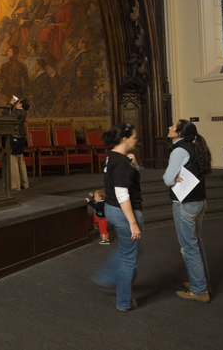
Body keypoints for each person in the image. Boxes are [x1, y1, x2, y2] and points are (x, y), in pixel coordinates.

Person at [92, 122, 142, 311]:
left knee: (129, 252)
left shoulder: (113, 156)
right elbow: (123, 195)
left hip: (112, 209)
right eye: (134, 137)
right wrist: (133, 223)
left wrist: (134, 165)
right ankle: (123, 300)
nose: (136, 140)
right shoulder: (120, 162)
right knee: (129, 257)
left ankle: (111, 280)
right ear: (125, 139)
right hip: (123, 211)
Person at [163, 119, 213, 303]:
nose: (169, 127)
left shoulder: (179, 150)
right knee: (196, 242)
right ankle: (202, 282)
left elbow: (168, 180)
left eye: (172, 126)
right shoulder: (194, 146)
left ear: (178, 133)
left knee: (189, 247)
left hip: (184, 203)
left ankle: (199, 290)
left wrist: (171, 176)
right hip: (199, 201)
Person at [3, 96, 30, 191]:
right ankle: (24, 183)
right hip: (21, 137)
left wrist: (10, 103)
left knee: (13, 160)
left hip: (15, 136)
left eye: (18, 102)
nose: (16, 103)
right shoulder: (23, 113)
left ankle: (15, 185)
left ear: (20, 105)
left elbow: (5, 113)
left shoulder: (17, 113)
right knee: (20, 159)